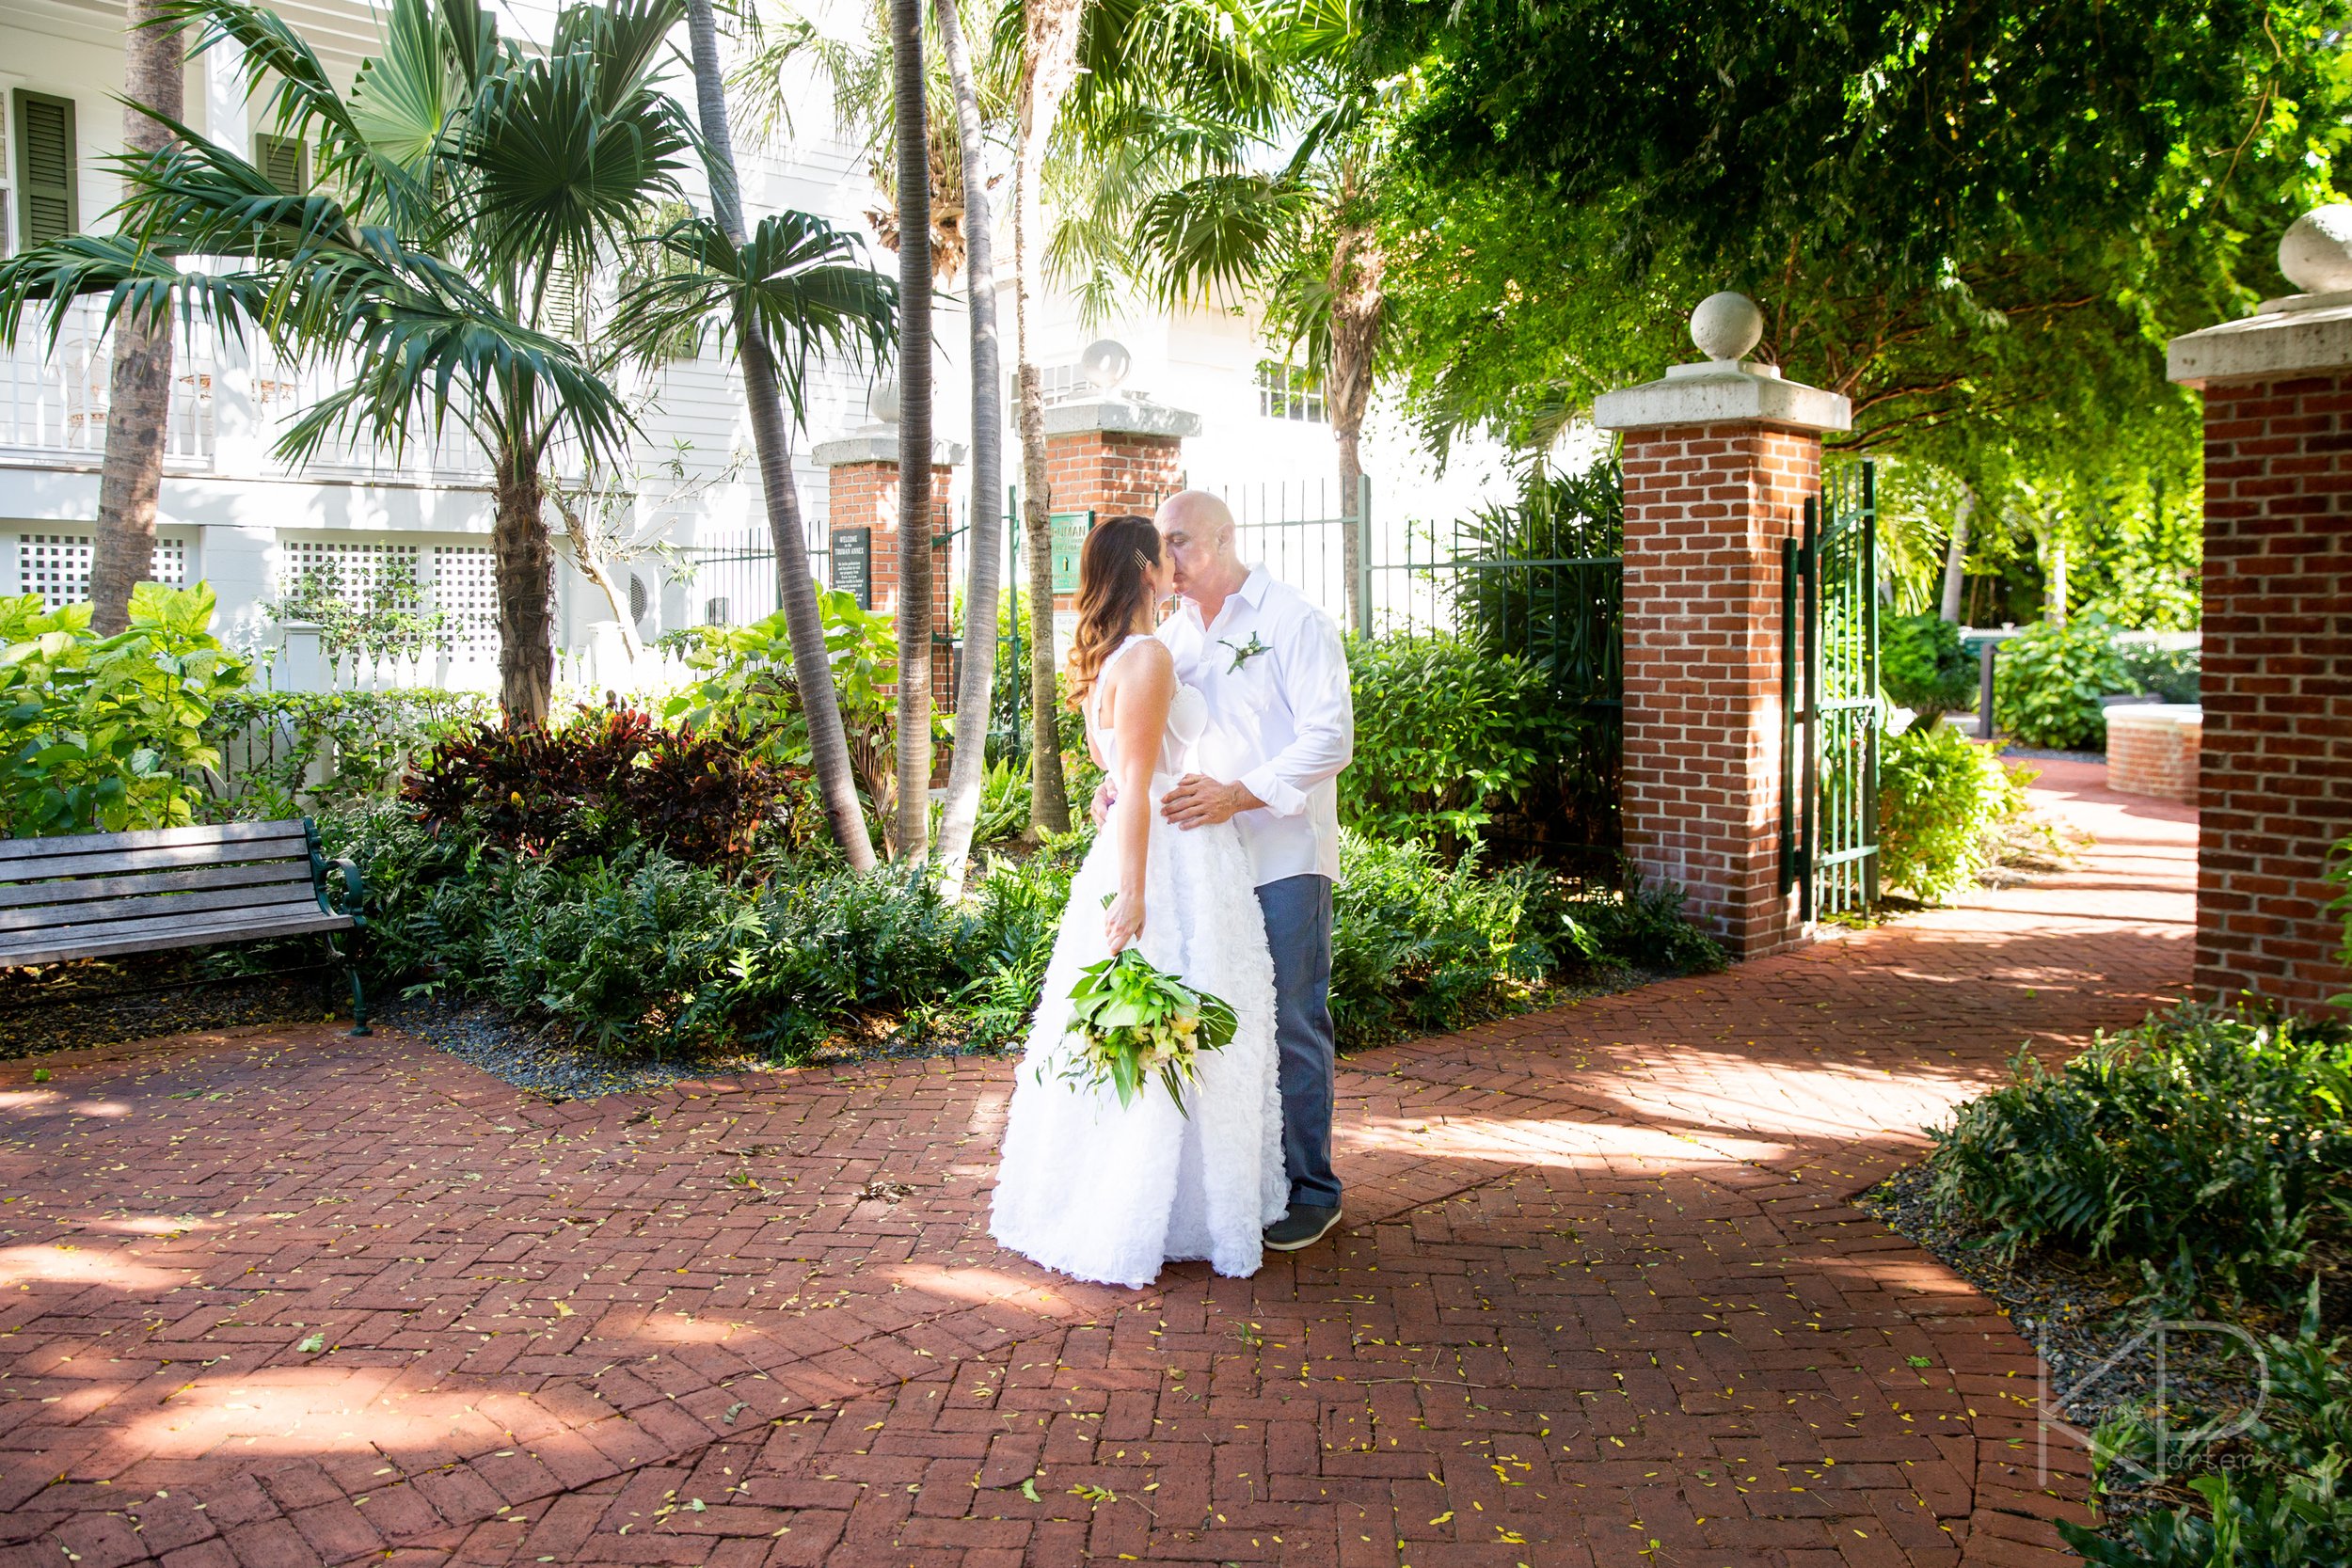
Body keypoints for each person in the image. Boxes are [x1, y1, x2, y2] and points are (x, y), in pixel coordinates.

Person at [988, 515, 1287, 1289]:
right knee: (1173, 1031)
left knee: (1154, 1034)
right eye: (1168, 552)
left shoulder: (1115, 658)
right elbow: (1141, 791)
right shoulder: (1149, 657)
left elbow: (1124, 775)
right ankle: (1145, 1208)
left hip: (1150, 843)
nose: (1177, 562)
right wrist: (1134, 895)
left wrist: (1117, 799)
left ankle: (1146, 1199)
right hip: (1171, 863)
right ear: (1146, 569)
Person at [1149, 490, 1354, 1254]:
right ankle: (1247, 1180)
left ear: (1226, 538)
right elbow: (1159, 738)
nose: (1169, 560)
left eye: (1183, 543)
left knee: (1295, 1019)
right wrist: (1120, 785)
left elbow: (1331, 740)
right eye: (1162, 545)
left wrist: (1238, 794)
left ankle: (1313, 1188)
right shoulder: (1171, 635)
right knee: (1219, 1029)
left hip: (1285, 857)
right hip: (1207, 868)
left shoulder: (1293, 621)